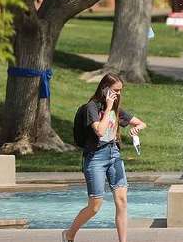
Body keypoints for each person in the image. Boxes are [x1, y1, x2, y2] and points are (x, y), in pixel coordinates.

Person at [63, 74, 146, 242]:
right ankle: (69, 234)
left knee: (122, 200)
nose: (118, 94)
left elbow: (141, 123)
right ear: (105, 89)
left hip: (113, 154)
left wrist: (136, 129)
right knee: (95, 206)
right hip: (95, 158)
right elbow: (100, 131)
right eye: (115, 90)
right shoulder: (91, 108)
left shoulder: (117, 109)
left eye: (120, 91)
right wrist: (107, 108)